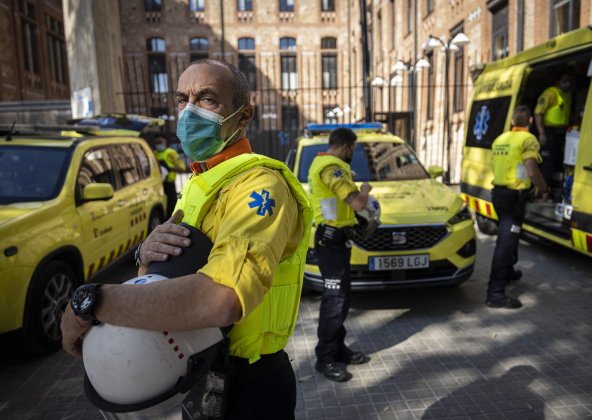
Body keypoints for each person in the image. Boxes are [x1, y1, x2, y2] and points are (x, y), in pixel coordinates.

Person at [61, 59, 312, 420]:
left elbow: (222, 299)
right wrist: (145, 257)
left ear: (244, 116)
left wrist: (93, 302)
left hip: (246, 386)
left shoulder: (259, 184)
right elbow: (168, 271)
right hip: (189, 374)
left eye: (207, 99)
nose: (189, 111)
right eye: (183, 99)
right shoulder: (200, 180)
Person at [308, 127, 372, 382]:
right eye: (352, 150)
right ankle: (325, 359)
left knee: (341, 298)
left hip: (336, 240)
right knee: (334, 300)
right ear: (346, 147)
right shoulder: (332, 167)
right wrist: (365, 189)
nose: (351, 155)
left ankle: (338, 349)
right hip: (330, 241)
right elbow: (357, 202)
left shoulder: (323, 163)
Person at [487, 105, 549, 309]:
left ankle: (509, 272)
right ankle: (495, 293)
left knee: (509, 233)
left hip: (498, 194)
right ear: (530, 122)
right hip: (515, 198)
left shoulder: (500, 139)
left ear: (513, 122)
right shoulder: (528, 139)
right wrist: (544, 188)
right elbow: (531, 171)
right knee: (506, 240)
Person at [534, 71, 572, 189]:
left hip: (562, 133)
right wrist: (542, 133)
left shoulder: (567, 94)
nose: (568, 84)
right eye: (564, 81)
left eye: (569, 81)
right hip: (549, 132)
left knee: (558, 161)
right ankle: (542, 192)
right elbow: (538, 113)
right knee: (547, 163)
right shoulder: (550, 93)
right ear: (557, 82)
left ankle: (553, 189)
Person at [154, 134, 187, 216]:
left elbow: (182, 168)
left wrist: (169, 168)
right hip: (158, 185)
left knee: (171, 205)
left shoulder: (171, 153)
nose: (159, 144)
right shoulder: (154, 154)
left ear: (165, 142)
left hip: (169, 184)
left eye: (160, 142)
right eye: (157, 143)